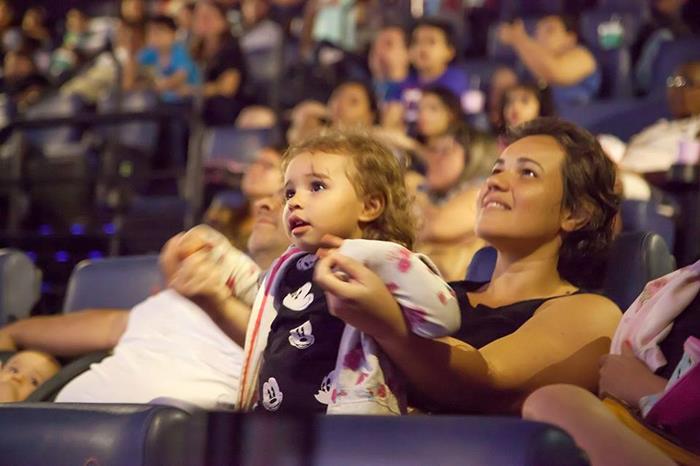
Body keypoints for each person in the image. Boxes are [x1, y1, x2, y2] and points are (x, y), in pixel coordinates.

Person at [311, 118, 622, 414]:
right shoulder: (437, 293)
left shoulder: (592, 313)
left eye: (527, 173)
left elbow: (486, 383)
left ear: (576, 213)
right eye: (496, 170)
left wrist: (388, 325)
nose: (495, 182)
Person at [236, 131, 460, 415]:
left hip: (347, 432)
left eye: (316, 187)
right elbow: (257, 294)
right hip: (275, 426)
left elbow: (444, 318)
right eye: (290, 192)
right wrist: (217, 257)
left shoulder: (385, 261)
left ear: (369, 206)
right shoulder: (291, 265)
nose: (293, 202)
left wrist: (374, 255)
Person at [0, 190, 290, 407]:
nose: (263, 203)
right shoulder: (199, 276)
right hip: (50, 429)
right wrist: (10, 335)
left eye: (289, 195)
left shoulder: (304, 314)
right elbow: (114, 326)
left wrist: (218, 301)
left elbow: (285, 366)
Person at [522, 260, 700, 466]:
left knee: (554, 402)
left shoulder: (587, 308)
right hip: (642, 431)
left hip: (675, 442)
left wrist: (644, 389)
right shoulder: (683, 285)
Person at [413, 123, 498, 281]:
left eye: (445, 151)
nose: (434, 158)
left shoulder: (481, 194)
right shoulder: (435, 196)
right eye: (434, 150)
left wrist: (413, 191)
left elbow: (434, 227)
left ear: (473, 157)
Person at [498, 14, 601, 107]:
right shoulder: (534, 61)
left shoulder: (582, 56)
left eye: (549, 31)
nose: (540, 37)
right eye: (537, 32)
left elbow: (554, 71)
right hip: (540, 123)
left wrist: (518, 38)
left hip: (574, 121)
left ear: (570, 38)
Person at [386, 17, 470, 128]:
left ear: (450, 51)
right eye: (416, 42)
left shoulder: (456, 81)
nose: (422, 48)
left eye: (431, 42)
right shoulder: (403, 83)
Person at [621, 60, 700, 175]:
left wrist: (635, 175)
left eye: (685, 83)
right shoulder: (661, 127)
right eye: (672, 82)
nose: (675, 90)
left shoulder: (696, 133)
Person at [188, 0, 247, 125]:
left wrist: (192, 90)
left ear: (223, 20)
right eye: (199, 16)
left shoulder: (231, 49)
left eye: (208, 17)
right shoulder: (193, 49)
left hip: (226, 109)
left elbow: (228, 88)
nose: (203, 21)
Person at [134, 15, 199, 102]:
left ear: (173, 34)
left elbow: (180, 76)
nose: (154, 36)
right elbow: (134, 65)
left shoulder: (180, 51)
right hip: (163, 101)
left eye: (159, 32)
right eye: (151, 32)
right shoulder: (150, 52)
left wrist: (159, 86)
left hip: (186, 101)